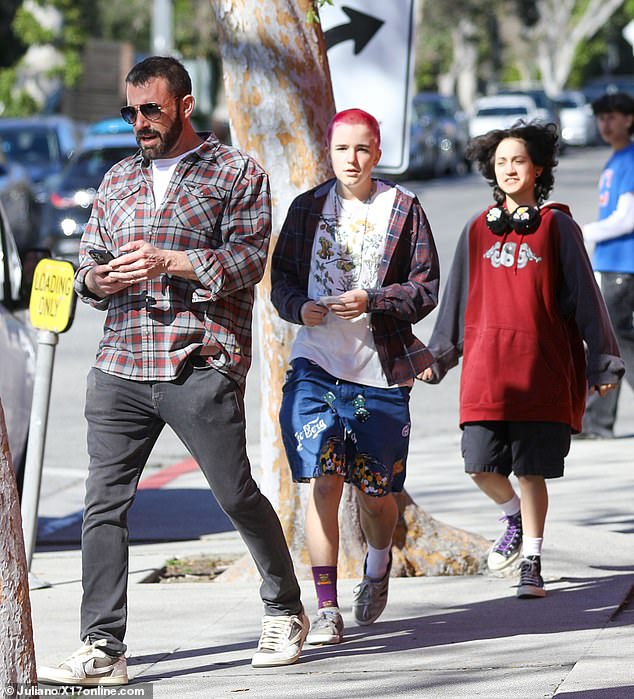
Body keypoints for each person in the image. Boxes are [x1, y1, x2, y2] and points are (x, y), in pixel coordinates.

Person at [37, 56, 308, 687]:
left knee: (234, 494)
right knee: (102, 506)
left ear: (184, 105)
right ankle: (103, 645)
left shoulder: (234, 172)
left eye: (151, 109)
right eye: (129, 111)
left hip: (197, 362)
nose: (139, 123)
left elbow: (246, 262)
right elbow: (88, 268)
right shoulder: (116, 180)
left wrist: (172, 261)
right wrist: (95, 280)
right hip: (119, 365)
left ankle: (285, 608)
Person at [421, 121, 624, 598]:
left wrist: (603, 363)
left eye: (518, 161)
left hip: (542, 371)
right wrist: (440, 354)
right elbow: (457, 299)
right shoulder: (476, 229)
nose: (509, 169)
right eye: (501, 162)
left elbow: (587, 300)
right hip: (487, 373)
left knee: (532, 471)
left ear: (538, 169)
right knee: (478, 464)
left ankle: (531, 559)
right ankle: (512, 516)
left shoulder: (558, 226)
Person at [270, 108, 439, 644]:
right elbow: (282, 283)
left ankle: (379, 560)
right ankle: (325, 610)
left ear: (378, 151)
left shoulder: (404, 208)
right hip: (316, 363)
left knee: (375, 494)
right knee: (322, 481)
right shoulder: (307, 209)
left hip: (381, 370)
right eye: (343, 149)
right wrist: (301, 307)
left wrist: (374, 299)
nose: (352, 159)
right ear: (330, 150)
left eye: (362, 149)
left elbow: (425, 288)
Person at [579, 92, 634, 439]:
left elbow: (627, 217)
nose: (605, 124)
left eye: (612, 117)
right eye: (601, 118)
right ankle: (595, 421)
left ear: (629, 119)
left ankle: (597, 423)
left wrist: (582, 231)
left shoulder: (629, 159)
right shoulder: (615, 159)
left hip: (622, 265)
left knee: (611, 344)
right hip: (611, 263)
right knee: (616, 342)